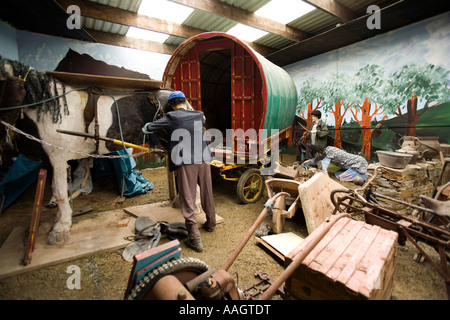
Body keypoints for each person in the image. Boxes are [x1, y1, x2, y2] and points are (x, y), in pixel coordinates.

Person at [142, 91, 216, 252]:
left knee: (187, 198)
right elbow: (201, 122)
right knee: (207, 193)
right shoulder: (199, 114)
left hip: (186, 161)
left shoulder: (171, 117)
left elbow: (148, 128)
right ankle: (211, 223)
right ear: (185, 101)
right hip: (204, 159)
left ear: (171, 105)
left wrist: (149, 126)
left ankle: (195, 238)